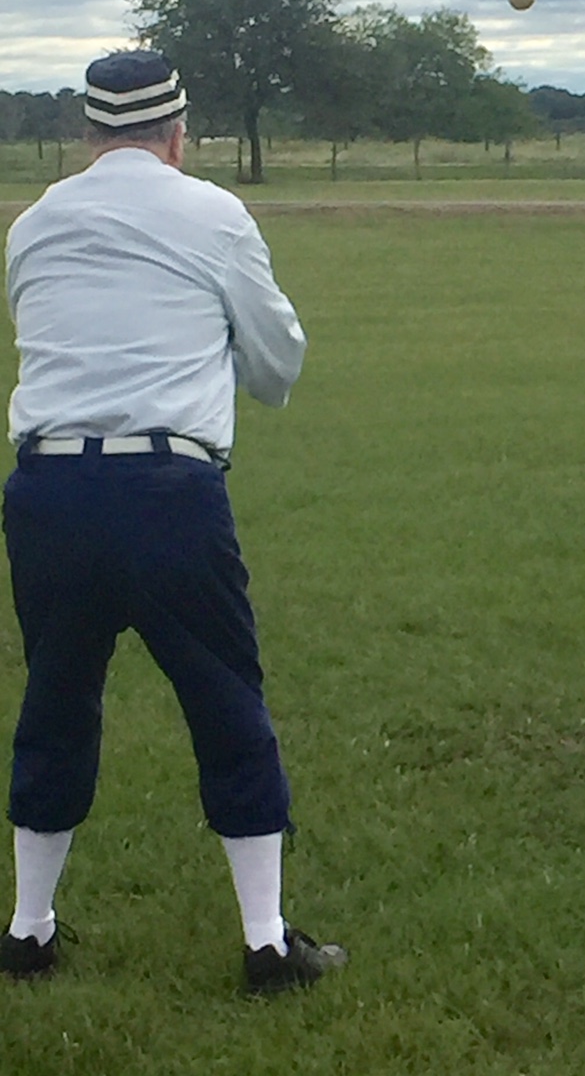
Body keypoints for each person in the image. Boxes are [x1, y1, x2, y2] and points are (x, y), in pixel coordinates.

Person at [0, 50, 345, 994]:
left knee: (57, 700)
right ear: (177, 133)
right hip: (168, 493)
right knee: (227, 702)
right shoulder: (214, 214)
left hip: (47, 493)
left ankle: (29, 932)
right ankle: (268, 944)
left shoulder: (32, 225)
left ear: (88, 132)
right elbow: (277, 367)